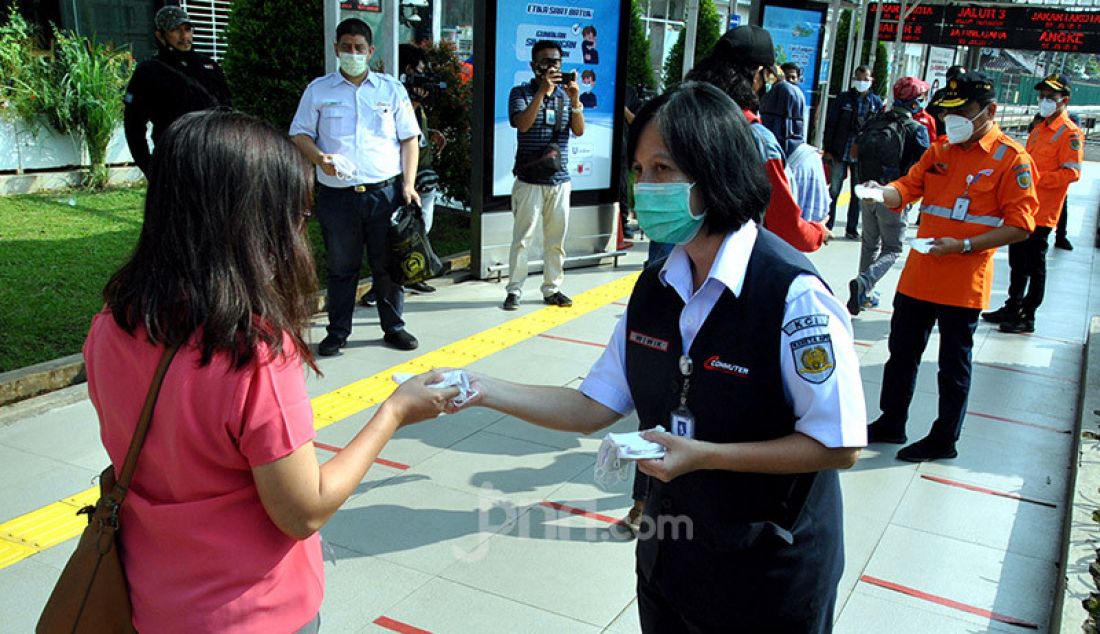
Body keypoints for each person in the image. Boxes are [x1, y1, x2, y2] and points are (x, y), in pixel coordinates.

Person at [449, 82, 865, 632]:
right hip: (672, 553)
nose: (647, 187)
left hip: (768, 570)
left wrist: (703, 454)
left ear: (714, 171)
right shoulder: (656, 285)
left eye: (664, 169)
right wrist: (477, 388)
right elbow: (590, 406)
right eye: (640, 171)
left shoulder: (792, 294)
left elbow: (837, 443)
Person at [84, 110, 457, 634]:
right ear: (254, 223)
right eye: (298, 214)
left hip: (151, 598)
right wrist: (393, 414)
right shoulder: (251, 351)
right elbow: (303, 510)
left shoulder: (111, 325)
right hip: (255, 611)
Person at [862, 72, 1038, 462]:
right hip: (920, 274)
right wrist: (881, 193)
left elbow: (1021, 225)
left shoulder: (1011, 160)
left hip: (963, 280)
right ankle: (891, 421)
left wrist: (965, 245)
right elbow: (908, 187)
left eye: (964, 112)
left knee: (951, 364)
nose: (952, 120)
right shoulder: (942, 150)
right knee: (901, 353)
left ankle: (944, 438)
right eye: (948, 113)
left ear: (990, 112)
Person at [290, 18, 422, 354]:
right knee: (341, 268)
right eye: (346, 47)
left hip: (385, 194)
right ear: (336, 48)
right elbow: (299, 134)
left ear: (370, 50)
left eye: (359, 48)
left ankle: (394, 327)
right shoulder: (318, 90)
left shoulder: (391, 89)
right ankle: (337, 332)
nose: (352, 53)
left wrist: (408, 184)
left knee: (387, 267)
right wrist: (320, 159)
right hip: (338, 197)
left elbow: (409, 139)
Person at [686, 25, 829, 253]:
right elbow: (785, 225)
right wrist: (818, 232)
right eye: (767, 77)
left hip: (672, 256)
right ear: (755, 75)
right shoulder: (757, 138)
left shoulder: (681, 118)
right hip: (726, 262)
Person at [981, 73, 1082, 334]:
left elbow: (1072, 173)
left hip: (1044, 211)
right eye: (1043, 96)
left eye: (1051, 97)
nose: (1045, 100)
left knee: (1034, 264)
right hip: (1023, 207)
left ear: (1064, 100)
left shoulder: (1069, 133)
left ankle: (1028, 315)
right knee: (1017, 261)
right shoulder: (1039, 128)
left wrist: (1037, 180)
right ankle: (1012, 305)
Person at [502, 40, 585, 311]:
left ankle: (552, 288)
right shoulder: (520, 93)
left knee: (556, 240)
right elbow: (522, 124)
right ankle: (514, 290)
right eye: (547, 62)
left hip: (560, 180)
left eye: (557, 62)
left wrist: (575, 100)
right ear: (533, 66)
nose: (552, 67)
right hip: (529, 180)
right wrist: (542, 92)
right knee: (522, 239)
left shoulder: (564, 95)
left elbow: (579, 130)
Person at [847, 76, 930, 316]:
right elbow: (926, 167)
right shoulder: (916, 130)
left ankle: (864, 294)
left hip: (867, 191)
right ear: (915, 102)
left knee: (869, 244)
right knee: (892, 248)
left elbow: (855, 152)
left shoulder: (875, 120)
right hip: (894, 195)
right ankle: (865, 282)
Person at [123, 6, 231, 176]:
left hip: (215, 157)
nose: (184, 36)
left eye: (188, 30)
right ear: (160, 35)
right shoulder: (149, 72)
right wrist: (149, 168)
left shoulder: (209, 67)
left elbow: (228, 110)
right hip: (175, 160)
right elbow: (134, 126)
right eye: (176, 30)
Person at [398, 43, 448, 294]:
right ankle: (386, 285)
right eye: (419, 71)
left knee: (419, 229)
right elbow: (399, 134)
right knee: (398, 233)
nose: (423, 77)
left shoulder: (416, 103)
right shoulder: (397, 100)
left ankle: (414, 274)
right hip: (407, 178)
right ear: (406, 70)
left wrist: (431, 134)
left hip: (424, 176)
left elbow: (415, 135)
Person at [823, 65, 883, 239]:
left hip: (862, 155)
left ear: (872, 81)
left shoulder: (876, 102)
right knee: (834, 190)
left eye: (865, 79)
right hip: (840, 151)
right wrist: (828, 149)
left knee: (857, 192)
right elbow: (831, 123)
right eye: (858, 78)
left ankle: (851, 228)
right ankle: (828, 224)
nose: (861, 82)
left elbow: (878, 129)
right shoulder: (844, 99)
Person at [760, 61, 806, 157]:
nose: (789, 80)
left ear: (798, 79)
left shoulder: (797, 96)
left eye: (793, 77)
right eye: (786, 77)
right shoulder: (770, 96)